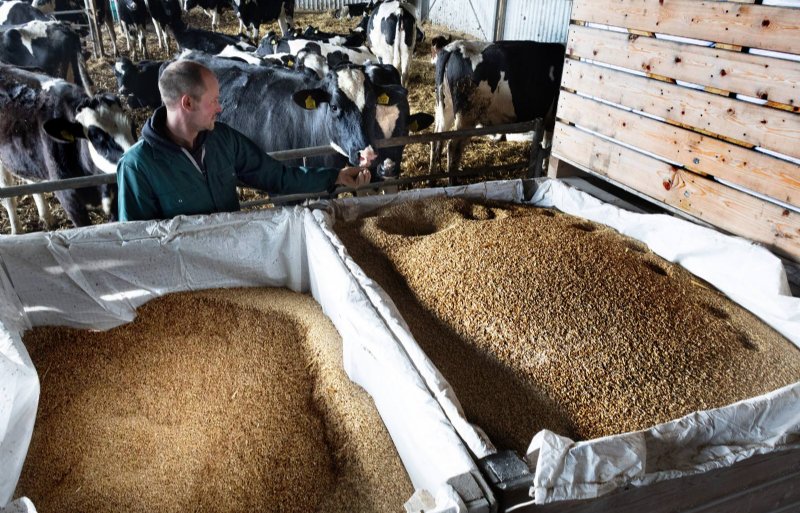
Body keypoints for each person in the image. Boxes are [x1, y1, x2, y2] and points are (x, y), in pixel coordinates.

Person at [116, 60, 371, 221]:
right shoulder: (137, 166)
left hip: (234, 260)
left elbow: (277, 176)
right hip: (181, 283)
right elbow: (139, 242)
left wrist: (334, 176)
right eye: (214, 100)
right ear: (187, 103)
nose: (220, 108)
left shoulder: (223, 140)